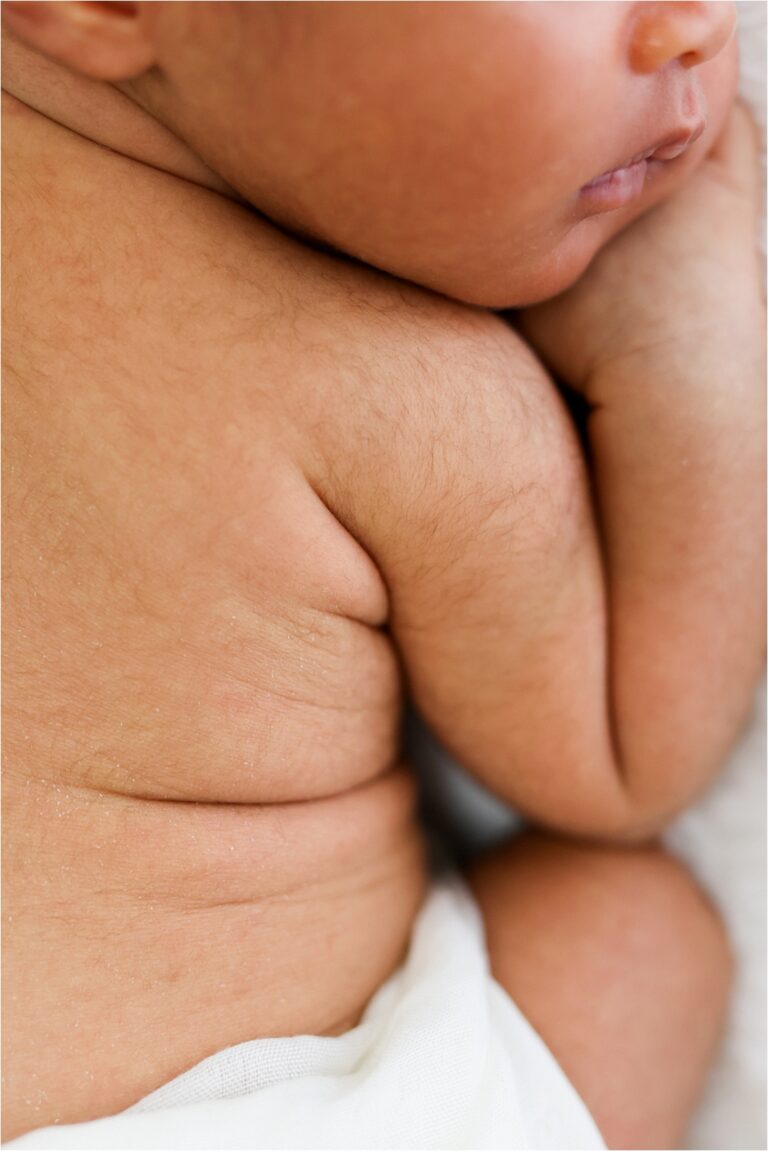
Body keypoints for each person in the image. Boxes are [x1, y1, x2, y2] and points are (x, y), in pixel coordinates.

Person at [3, 3, 763, 1147]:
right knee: (633, 931)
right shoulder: (397, 393)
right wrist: (687, 334)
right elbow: (627, 755)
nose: (694, 24)